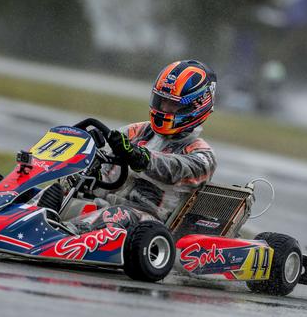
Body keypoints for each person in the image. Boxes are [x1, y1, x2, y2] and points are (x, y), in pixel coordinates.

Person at [70, 60, 218, 231]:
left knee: (117, 214)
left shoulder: (202, 154)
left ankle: (65, 240)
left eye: (174, 104)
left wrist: (141, 157)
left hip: (148, 223)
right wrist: (92, 160)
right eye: (162, 101)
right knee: (58, 195)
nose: (164, 108)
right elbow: (107, 168)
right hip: (106, 206)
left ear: (196, 107)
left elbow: (174, 169)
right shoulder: (138, 131)